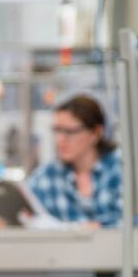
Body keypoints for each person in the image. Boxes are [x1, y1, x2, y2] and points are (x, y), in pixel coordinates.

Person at [27, 94, 123, 227]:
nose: (60, 140)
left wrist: (99, 228)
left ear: (96, 133)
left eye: (70, 132)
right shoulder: (48, 174)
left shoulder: (120, 167)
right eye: (57, 130)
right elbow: (25, 208)